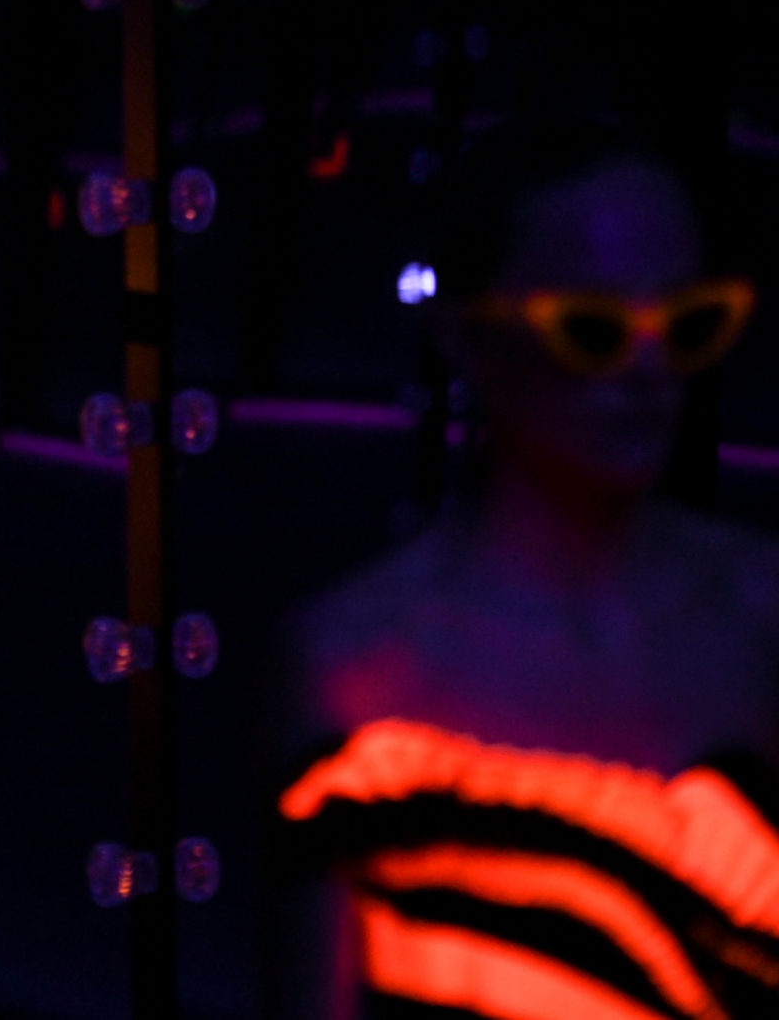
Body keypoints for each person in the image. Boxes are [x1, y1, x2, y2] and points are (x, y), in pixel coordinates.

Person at [276, 125, 779, 1020]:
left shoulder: (757, 618)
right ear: (467, 340)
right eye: (594, 331)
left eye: (690, 326)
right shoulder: (356, 664)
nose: (652, 371)